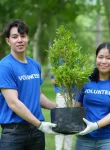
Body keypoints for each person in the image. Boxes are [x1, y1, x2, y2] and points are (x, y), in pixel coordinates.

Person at [0, 19, 58, 150]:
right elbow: (13, 103)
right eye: (15, 37)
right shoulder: (5, 67)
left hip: (36, 133)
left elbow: (38, 96)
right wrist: (40, 124)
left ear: (28, 38)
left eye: (23, 36)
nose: (20, 40)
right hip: (14, 133)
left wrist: (58, 107)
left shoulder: (35, 65)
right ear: (8, 41)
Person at [74, 42, 110, 150]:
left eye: (108, 58)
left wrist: (95, 126)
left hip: (109, 140)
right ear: (96, 58)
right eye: (100, 57)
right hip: (84, 138)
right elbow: (76, 106)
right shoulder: (86, 80)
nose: (103, 61)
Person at [50, 75, 74, 150]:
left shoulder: (77, 63)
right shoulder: (58, 63)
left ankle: (68, 148)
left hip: (74, 94)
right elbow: (53, 81)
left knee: (71, 123)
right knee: (60, 122)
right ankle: (58, 148)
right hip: (61, 94)